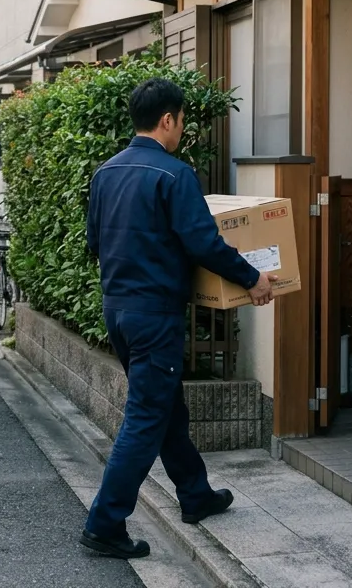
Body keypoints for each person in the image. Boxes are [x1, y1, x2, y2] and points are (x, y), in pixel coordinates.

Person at [80, 78, 278, 560]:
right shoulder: (174, 175)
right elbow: (204, 243)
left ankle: (195, 494)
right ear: (167, 120)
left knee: (167, 408)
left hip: (119, 310)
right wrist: (252, 278)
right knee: (147, 417)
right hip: (156, 315)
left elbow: (93, 244)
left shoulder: (105, 173)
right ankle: (105, 524)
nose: (181, 129)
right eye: (182, 120)